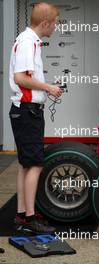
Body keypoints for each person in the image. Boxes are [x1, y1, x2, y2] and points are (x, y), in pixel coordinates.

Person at [9, 2, 62, 234]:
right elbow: (20, 78)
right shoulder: (28, 42)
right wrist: (48, 88)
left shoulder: (29, 41)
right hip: (27, 111)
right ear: (45, 23)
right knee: (35, 164)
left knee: (26, 164)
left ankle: (22, 214)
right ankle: (30, 218)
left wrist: (45, 88)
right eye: (56, 22)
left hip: (26, 110)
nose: (57, 26)